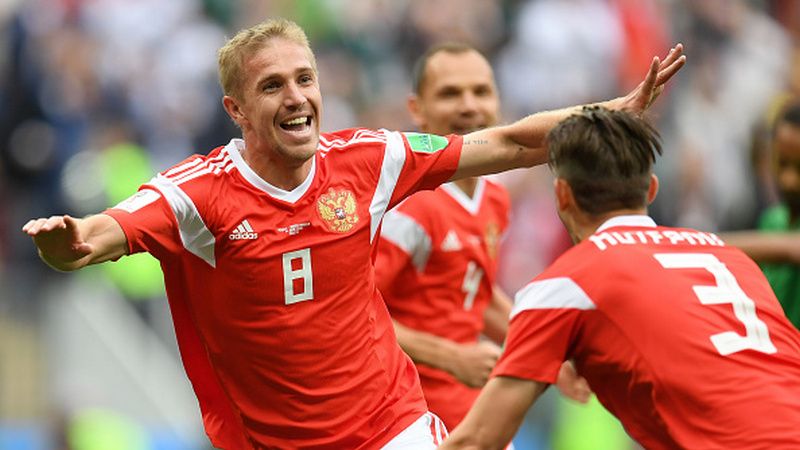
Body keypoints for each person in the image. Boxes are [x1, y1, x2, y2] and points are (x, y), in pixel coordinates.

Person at [22, 18, 685, 449]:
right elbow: (103, 232)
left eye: (305, 79)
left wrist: (609, 112)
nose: (297, 97)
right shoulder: (198, 193)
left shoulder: (368, 161)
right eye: (273, 86)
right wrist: (70, 241)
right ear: (236, 110)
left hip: (389, 424)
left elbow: (508, 143)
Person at [439, 106, 800, 450]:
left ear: (562, 195)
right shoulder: (730, 259)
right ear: (652, 189)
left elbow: (476, 440)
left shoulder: (566, 284)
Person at [375, 43, 589, 432]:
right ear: (416, 109)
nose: (469, 106)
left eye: (481, 92)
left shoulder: (494, 198)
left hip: (473, 408)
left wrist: (550, 355)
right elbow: (357, 312)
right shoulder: (408, 206)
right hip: (410, 415)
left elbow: (478, 294)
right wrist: (449, 356)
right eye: (450, 94)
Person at [721, 101, 800, 330]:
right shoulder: (772, 220)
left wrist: (699, 244)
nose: (789, 180)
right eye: (782, 164)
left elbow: (792, 248)